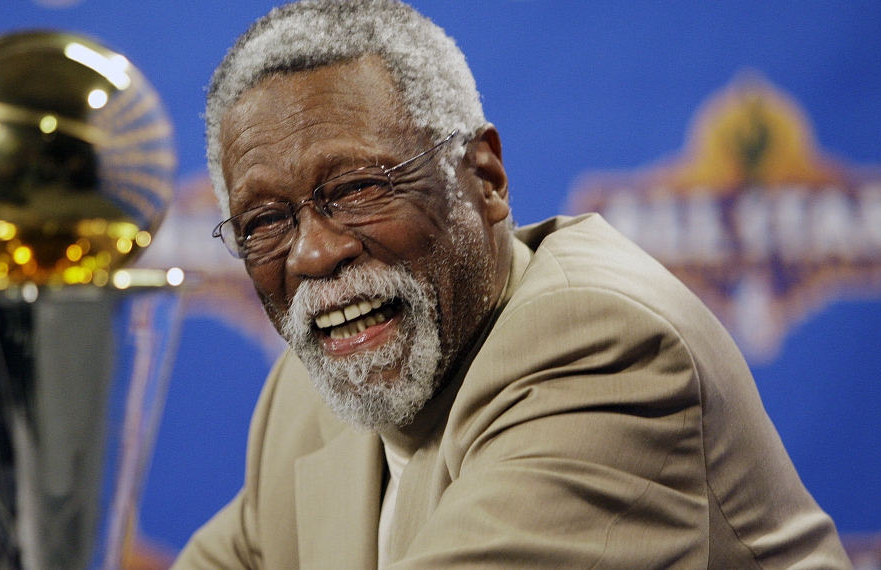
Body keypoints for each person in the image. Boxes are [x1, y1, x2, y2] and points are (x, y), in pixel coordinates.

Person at [173, 1, 852, 568]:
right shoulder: (313, 386)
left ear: (485, 178)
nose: (315, 254)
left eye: (356, 189)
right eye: (264, 221)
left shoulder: (602, 349)